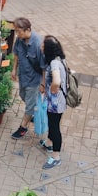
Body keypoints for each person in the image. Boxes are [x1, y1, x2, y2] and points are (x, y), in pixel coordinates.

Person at [10, 17, 45, 139]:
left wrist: (43, 83)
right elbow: (16, 54)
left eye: (19, 31)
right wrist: (14, 69)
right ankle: (33, 111)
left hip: (34, 79)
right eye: (16, 31)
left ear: (28, 29)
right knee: (23, 96)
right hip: (23, 76)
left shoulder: (38, 43)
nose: (17, 34)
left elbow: (44, 66)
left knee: (30, 104)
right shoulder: (20, 39)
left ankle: (23, 127)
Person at [39, 35, 68, 169]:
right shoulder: (59, 59)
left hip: (56, 103)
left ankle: (56, 156)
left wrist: (52, 89)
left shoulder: (54, 63)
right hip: (58, 101)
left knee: (55, 127)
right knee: (52, 123)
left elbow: (57, 81)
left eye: (43, 46)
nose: (41, 47)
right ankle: (49, 143)